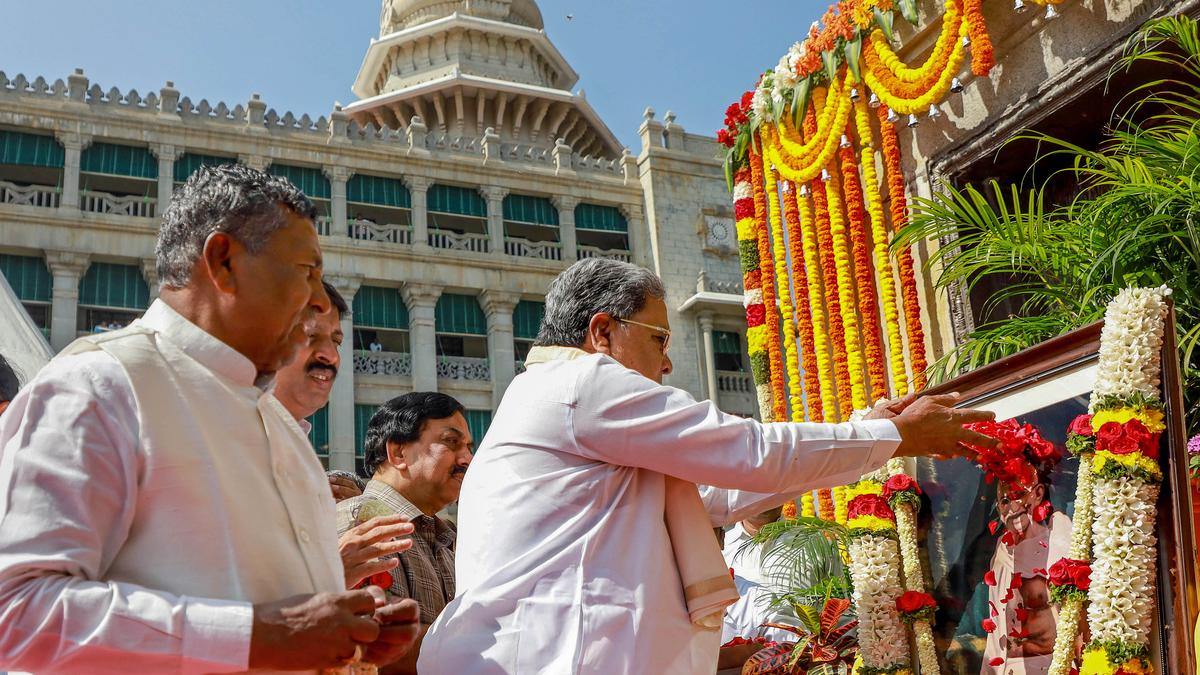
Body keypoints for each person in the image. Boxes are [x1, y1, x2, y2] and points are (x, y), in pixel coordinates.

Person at [419, 258, 998, 673]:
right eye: (658, 338)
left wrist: (874, 426)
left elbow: (723, 490)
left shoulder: (562, 399)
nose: (667, 362)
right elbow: (749, 454)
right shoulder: (581, 383)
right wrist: (892, 436)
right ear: (602, 332)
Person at [0, 164, 418, 673]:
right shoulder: (101, 386)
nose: (316, 302)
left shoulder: (280, 425)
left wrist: (346, 631)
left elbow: (287, 613)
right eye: (307, 272)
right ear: (223, 261)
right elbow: (16, 614)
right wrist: (256, 636)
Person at [270, 279, 413, 591]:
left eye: (335, 341)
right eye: (311, 337)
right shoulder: (223, 434)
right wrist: (331, 571)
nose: (329, 356)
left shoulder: (295, 446)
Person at [337, 392, 472, 675]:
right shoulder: (359, 521)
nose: (467, 458)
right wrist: (487, 644)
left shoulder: (448, 539)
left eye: (469, 447)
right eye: (451, 442)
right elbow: (371, 651)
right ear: (398, 452)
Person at [981, 474, 1072, 674]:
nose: (1012, 506)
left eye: (1018, 495)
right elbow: (996, 627)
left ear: (1038, 493)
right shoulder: (1002, 552)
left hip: (1051, 666)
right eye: (1004, 501)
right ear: (998, 509)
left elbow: (1077, 614)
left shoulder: (1059, 541)